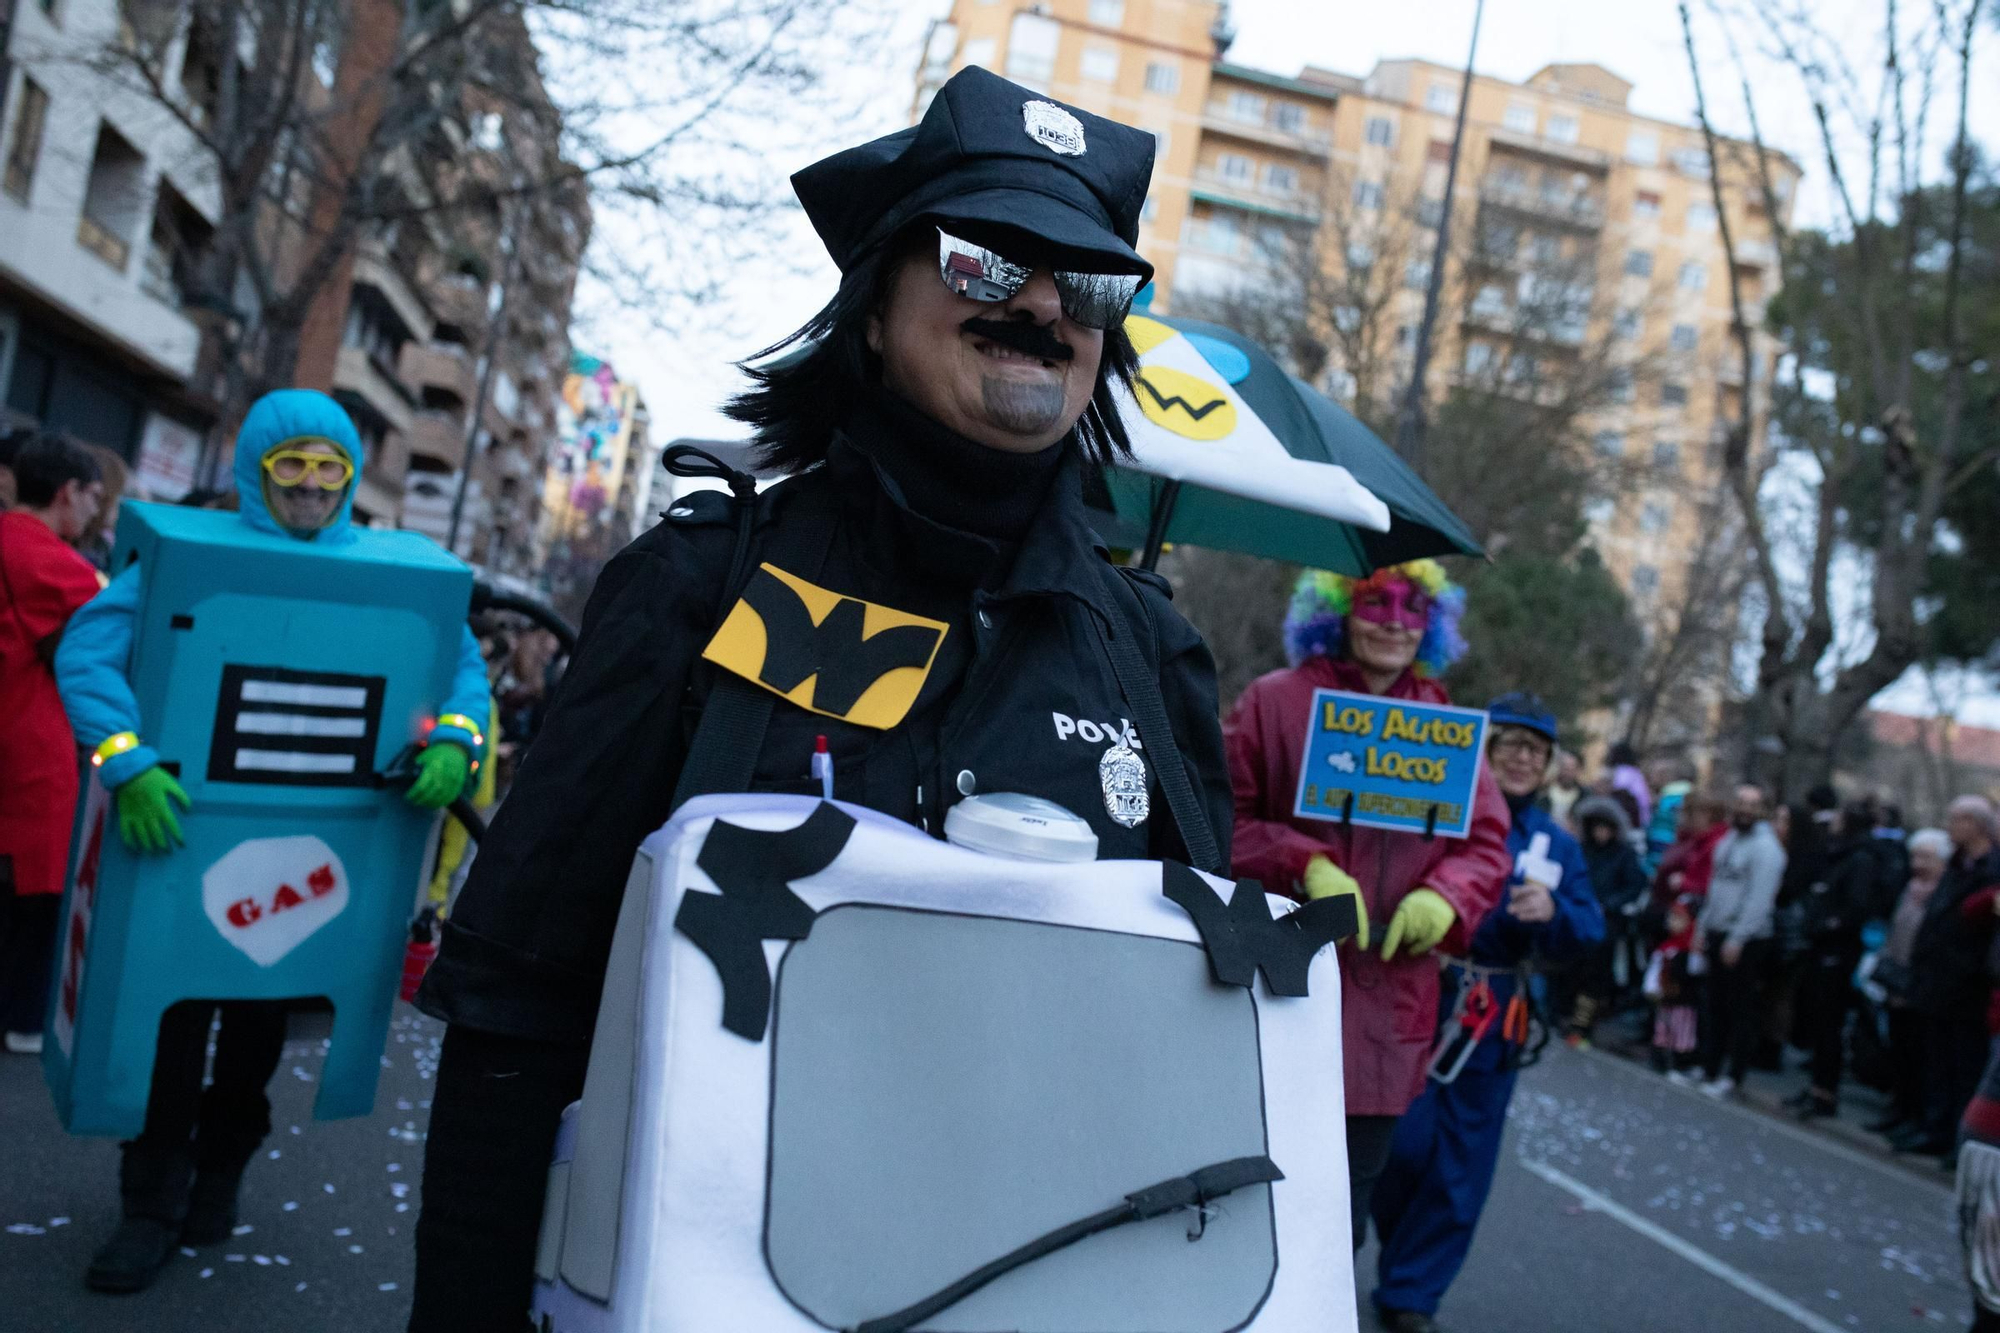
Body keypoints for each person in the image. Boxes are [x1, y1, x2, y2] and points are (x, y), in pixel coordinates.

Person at [409, 68, 1233, 1330]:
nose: (1036, 306)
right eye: (979, 260)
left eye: (1088, 284)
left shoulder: (1149, 656)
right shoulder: (696, 590)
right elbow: (514, 1018)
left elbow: (1190, 1037)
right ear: (865, 312)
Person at [55, 389, 490, 1293]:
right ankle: (151, 1201)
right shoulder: (186, 562)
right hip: (184, 838)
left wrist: (455, 735)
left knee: (257, 1030)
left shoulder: (394, 572)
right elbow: (88, 653)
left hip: (316, 855)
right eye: (291, 463)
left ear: (352, 478)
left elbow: (461, 669)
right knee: (171, 1031)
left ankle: (220, 1176)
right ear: (258, 468)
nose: (311, 484)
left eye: (330, 467)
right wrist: (126, 760)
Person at [1228, 560, 1509, 1252]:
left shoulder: (1446, 726)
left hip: (1390, 1010)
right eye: (1374, 601)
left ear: (1433, 625)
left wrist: (1446, 897)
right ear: (1336, 611)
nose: (1391, 620)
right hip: (1280, 987)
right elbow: (1217, 819)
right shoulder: (1272, 702)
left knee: (1339, 1217)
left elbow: (1487, 843)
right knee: (1251, 1198)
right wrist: (1305, 862)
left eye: (1412, 607)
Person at [1370, 693, 1602, 1333]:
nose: (1522, 759)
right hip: (1423, 989)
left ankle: (1411, 1293)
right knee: (1404, 1145)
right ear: (1485, 751)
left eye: (1536, 749)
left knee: (1462, 1164)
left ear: (1550, 762)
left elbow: (1590, 927)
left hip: (1495, 1014)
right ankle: (1401, 1255)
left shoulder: (1557, 841)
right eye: (1509, 745)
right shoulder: (1445, 814)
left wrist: (1554, 917)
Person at [0, 434, 105, 1055]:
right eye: (93, 496)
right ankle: (22, 1018)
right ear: (67, 492)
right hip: (34, 741)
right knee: (37, 894)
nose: (95, 511)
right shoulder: (59, 564)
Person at [1898, 797, 2000, 1158]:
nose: (1951, 826)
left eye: (1957, 820)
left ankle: (1957, 1140)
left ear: (1976, 824)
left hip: (1968, 984)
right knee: (1937, 1060)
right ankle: (1935, 1127)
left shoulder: (1991, 868)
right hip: (1940, 977)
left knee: (1964, 1066)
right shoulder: (1957, 864)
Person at [1787, 799, 1892, 1119]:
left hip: (1837, 951)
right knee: (1820, 1022)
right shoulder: (1841, 854)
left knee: (1828, 1022)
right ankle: (1818, 1086)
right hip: (1824, 947)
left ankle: (1825, 1092)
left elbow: (1855, 907)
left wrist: (1826, 925)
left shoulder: (1859, 859)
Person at [1694, 783, 1787, 1097]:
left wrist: (1738, 937)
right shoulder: (1729, 840)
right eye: (1740, 802)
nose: (1745, 809)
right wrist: (1703, 929)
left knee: (1739, 1009)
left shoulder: (1767, 849)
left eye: (1752, 804)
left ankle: (1733, 1075)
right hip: (1718, 930)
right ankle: (1709, 1066)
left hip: (1746, 940)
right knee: (1715, 1005)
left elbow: (1759, 899)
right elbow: (1715, 887)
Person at [1871, 826, 1950, 1139]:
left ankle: (1917, 1114)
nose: (1918, 862)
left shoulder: (1942, 891)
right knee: (1899, 1048)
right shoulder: (1909, 886)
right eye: (1916, 855)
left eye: (1926, 857)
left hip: (1921, 981)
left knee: (1919, 1053)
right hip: (1897, 972)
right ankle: (1899, 1108)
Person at [1561, 793, 1649, 1045]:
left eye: (1605, 827)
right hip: (1578, 917)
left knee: (1595, 977)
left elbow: (1634, 885)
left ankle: (1582, 1024)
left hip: (1605, 925)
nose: (1600, 833)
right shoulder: (1583, 850)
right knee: (1571, 971)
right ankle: (1564, 1015)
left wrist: (1609, 905)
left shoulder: (1624, 853)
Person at [1605, 740, 1651, 832]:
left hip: (1629, 818)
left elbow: (1619, 789)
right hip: (1640, 818)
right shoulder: (1636, 772)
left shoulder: (1624, 771)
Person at [1542, 749, 1585, 829]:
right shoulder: (1543, 794)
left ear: (1578, 770)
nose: (1567, 772)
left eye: (1571, 768)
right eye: (1565, 767)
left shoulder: (1584, 798)